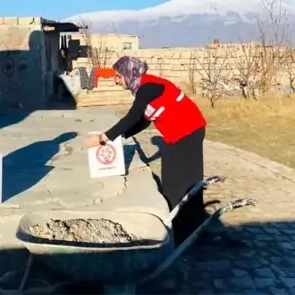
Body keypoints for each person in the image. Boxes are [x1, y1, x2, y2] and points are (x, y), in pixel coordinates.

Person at [84, 56, 207, 245]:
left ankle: (188, 230)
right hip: (176, 135)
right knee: (172, 183)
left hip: (189, 132)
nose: (116, 81)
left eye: (118, 76)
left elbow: (132, 116)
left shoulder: (148, 87)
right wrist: (122, 136)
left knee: (183, 182)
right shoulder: (142, 89)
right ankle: (183, 226)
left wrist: (103, 138)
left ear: (128, 73)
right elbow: (143, 120)